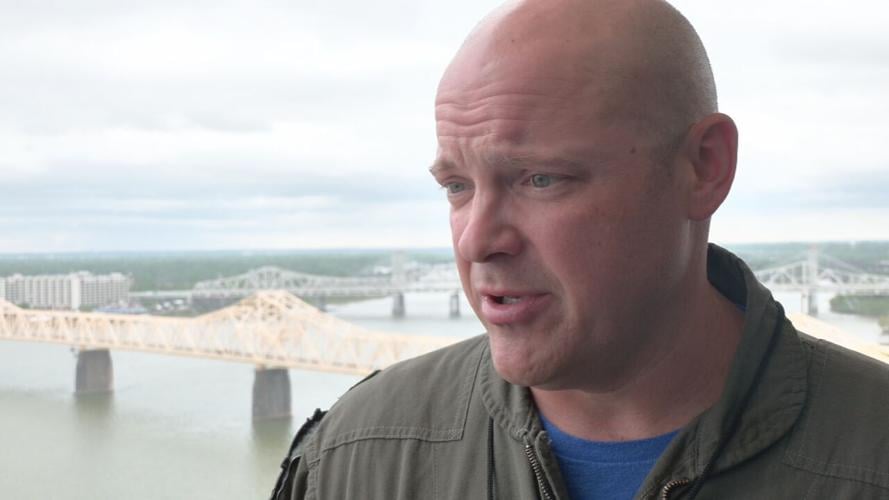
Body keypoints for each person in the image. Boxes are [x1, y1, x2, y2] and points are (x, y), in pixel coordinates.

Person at [272, 0, 889, 498]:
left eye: (540, 179)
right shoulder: (351, 459)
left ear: (704, 168)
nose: (476, 240)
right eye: (457, 187)